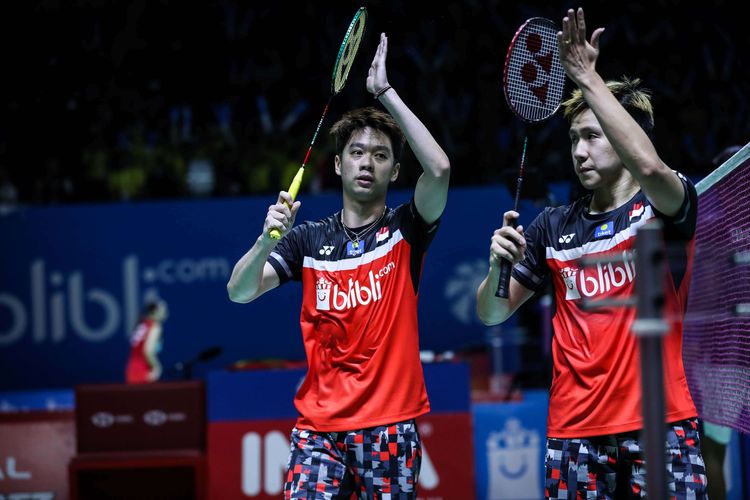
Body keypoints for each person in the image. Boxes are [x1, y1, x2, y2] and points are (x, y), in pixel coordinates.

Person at [476, 8, 706, 497]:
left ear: (623, 137)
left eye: (593, 136)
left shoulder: (664, 206)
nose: (579, 151)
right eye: (573, 139)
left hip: (660, 424)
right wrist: (494, 267)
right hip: (574, 435)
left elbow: (649, 165)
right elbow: (492, 314)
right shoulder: (552, 227)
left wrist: (586, 76)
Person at [227, 32, 450, 499]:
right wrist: (266, 239)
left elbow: (441, 170)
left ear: (394, 171)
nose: (367, 162)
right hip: (319, 431)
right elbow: (240, 291)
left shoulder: (408, 229)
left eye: (380, 154)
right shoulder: (308, 239)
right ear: (337, 165)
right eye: (356, 152)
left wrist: (386, 94)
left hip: (389, 428)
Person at [125, 299, 168, 383]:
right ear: (155, 311)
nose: (165, 313)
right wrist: (157, 367)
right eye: (163, 310)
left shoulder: (143, 324)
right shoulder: (155, 327)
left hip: (131, 369)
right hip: (143, 370)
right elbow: (147, 351)